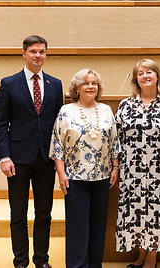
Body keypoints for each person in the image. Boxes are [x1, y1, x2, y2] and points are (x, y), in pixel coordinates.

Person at [0, 35, 63, 268]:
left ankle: (41, 260)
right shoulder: (9, 83)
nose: (38, 55)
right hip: (17, 159)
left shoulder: (55, 84)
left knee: (44, 213)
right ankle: (21, 261)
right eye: (33, 51)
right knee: (18, 213)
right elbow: (0, 123)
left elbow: (58, 125)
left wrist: (59, 159)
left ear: (46, 54)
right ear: (24, 53)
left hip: (46, 158)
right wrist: (4, 157)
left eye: (42, 52)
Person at [115, 59, 160, 268]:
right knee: (137, 214)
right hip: (132, 173)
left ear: (157, 76)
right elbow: (116, 140)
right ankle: (141, 255)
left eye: (149, 72)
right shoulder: (125, 106)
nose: (145, 76)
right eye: (140, 73)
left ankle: (152, 258)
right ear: (136, 79)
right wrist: (117, 168)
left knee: (155, 214)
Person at [49, 69, 119, 267]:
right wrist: (61, 174)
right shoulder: (66, 111)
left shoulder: (106, 110)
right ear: (77, 88)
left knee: (98, 227)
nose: (90, 86)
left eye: (94, 83)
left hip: (102, 176)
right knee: (78, 227)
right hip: (75, 178)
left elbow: (114, 141)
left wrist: (115, 168)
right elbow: (57, 145)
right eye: (86, 83)